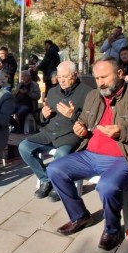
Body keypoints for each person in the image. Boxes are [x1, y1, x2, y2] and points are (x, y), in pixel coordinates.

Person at [46, 57, 128, 251]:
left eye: (104, 77)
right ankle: (79, 216)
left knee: (106, 186)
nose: (100, 82)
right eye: (96, 77)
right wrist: (80, 127)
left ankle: (112, 229)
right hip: (90, 154)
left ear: (119, 74)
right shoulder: (94, 95)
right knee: (55, 169)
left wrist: (123, 132)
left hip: (123, 157)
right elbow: (84, 119)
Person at [19, 61, 92, 201]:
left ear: (75, 75)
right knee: (24, 147)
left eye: (65, 76)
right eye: (59, 77)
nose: (62, 80)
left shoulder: (88, 92)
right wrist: (43, 115)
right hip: (49, 132)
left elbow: (91, 120)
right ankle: (46, 179)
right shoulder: (53, 91)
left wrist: (73, 115)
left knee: (61, 154)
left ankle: (59, 184)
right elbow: (42, 117)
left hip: (69, 134)